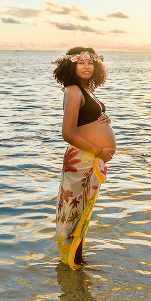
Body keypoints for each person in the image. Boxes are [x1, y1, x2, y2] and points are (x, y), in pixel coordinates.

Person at [52, 47, 116, 269]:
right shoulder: (72, 90)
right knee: (73, 212)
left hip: (90, 162)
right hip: (82, 160)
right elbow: (68, 133)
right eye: (81, 62)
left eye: (90, 62)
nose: (87, 66)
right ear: (71, 66)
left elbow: (84, 121)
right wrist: (99, 151)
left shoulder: (86, 90)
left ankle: (77, 263)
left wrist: (100, 115)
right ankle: (70, 263)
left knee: (83, 214)